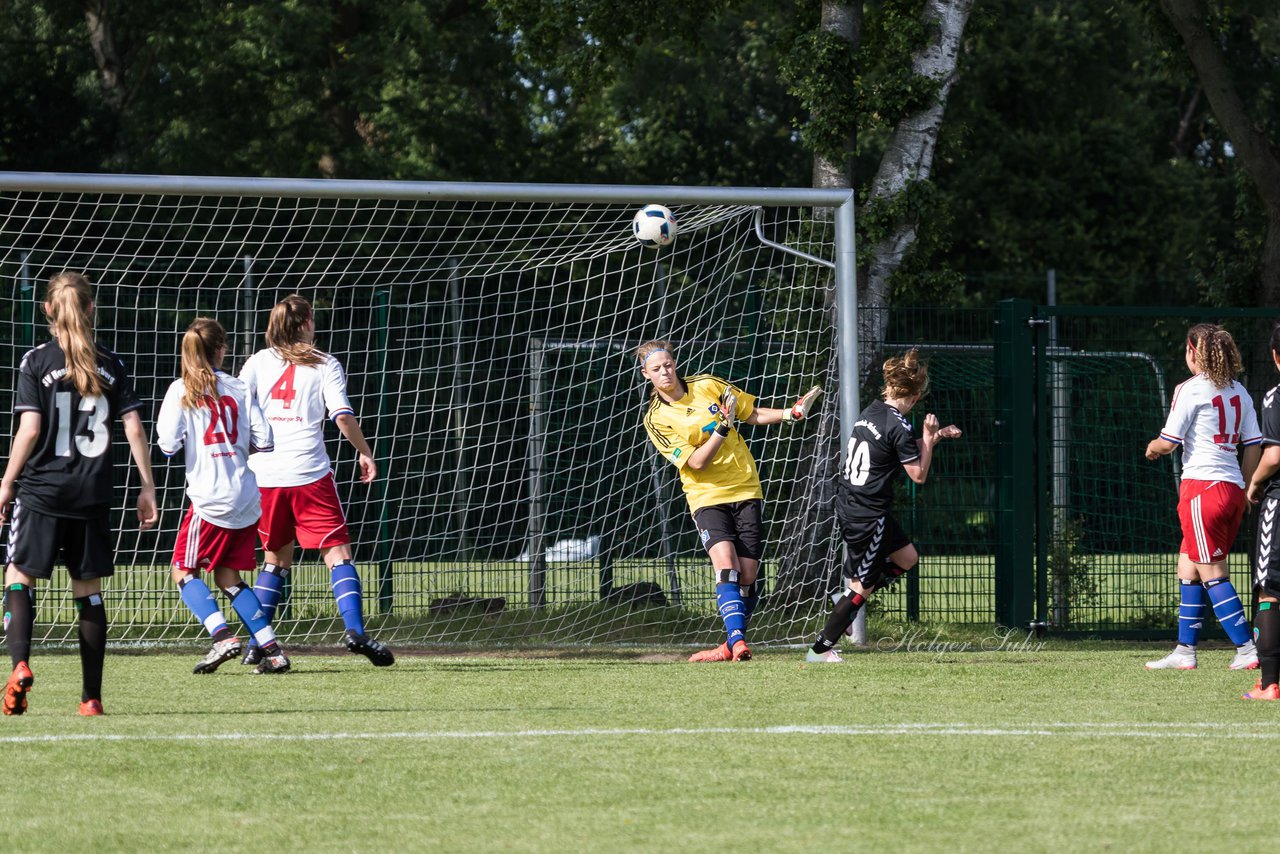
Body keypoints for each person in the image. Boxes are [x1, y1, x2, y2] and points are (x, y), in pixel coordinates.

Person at [0, 271, 158, 716]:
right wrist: (147, 486)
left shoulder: (36, 361)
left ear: (47, 309)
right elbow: (132, 426)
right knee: (87, 591)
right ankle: (91, 698)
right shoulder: (112, 363)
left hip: (43, 492)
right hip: (92, 493)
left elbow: (29, 429)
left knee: (18, 575)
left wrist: (7, 482)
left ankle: (21, 665)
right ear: (91, 308)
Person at [637, 340, 822, 662]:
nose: (664, 372)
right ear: (646, 375)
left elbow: (751, 414)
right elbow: (695, 462)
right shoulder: (656, 419)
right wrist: (722, 429)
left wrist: (790, 414)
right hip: (706, 496)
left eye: (667, 364)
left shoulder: (709, 385)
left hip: (746, 488)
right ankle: (737, 643)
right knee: (727, 567)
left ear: (674, 363)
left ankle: (728, 644)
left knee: (748, 576)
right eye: (656, 369)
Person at [237, 295, 393, 666]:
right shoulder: (326, 363)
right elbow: (341, 416)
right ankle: (355, 631)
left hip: (266, 475)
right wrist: (365, 451)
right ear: (306, 322)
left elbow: (239, 410)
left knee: (274, 560)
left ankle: (257, 643)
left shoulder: (257, 362)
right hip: (309, 474)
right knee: (337, 554)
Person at [806, 349, 961, 663]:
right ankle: (820, 650)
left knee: (907, 557)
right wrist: (929, 440)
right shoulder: (900, 425)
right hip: (868, 514)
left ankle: (845, 600)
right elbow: (917, 473)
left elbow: (897, 449)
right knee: (862, 588)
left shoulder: (873, 411)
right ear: (915, 398)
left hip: (850, 502)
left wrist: (936, 436)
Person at [156, 318, 291, 675]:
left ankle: (221, 636)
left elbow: (168, 446)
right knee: (228, 577)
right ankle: (273, 650)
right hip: (247, 498)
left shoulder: (180, 391)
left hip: (210, 499)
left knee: (183, 572)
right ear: (219, 349)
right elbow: (266, 441)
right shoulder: (240, 388)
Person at [1144, 323, 1260, 671]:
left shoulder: (1190, 389)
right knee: (1188, 563)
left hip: (1202, 488)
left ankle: (1246, 648)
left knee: (1212, 570)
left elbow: (1169, 441)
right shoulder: (1240, 391)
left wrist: (1152, 447)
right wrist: (1247, 486)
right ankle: (1184, 651)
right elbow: (1253, 445)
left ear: (1194, 352)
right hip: (1231, 489)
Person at [1244, 325, 1280, 698]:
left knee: (1270, 591)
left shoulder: (1275, 397)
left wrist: (1254, 483)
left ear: (1275, 355)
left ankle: (1269, 684)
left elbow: (1275, 455)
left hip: (1279, 502)